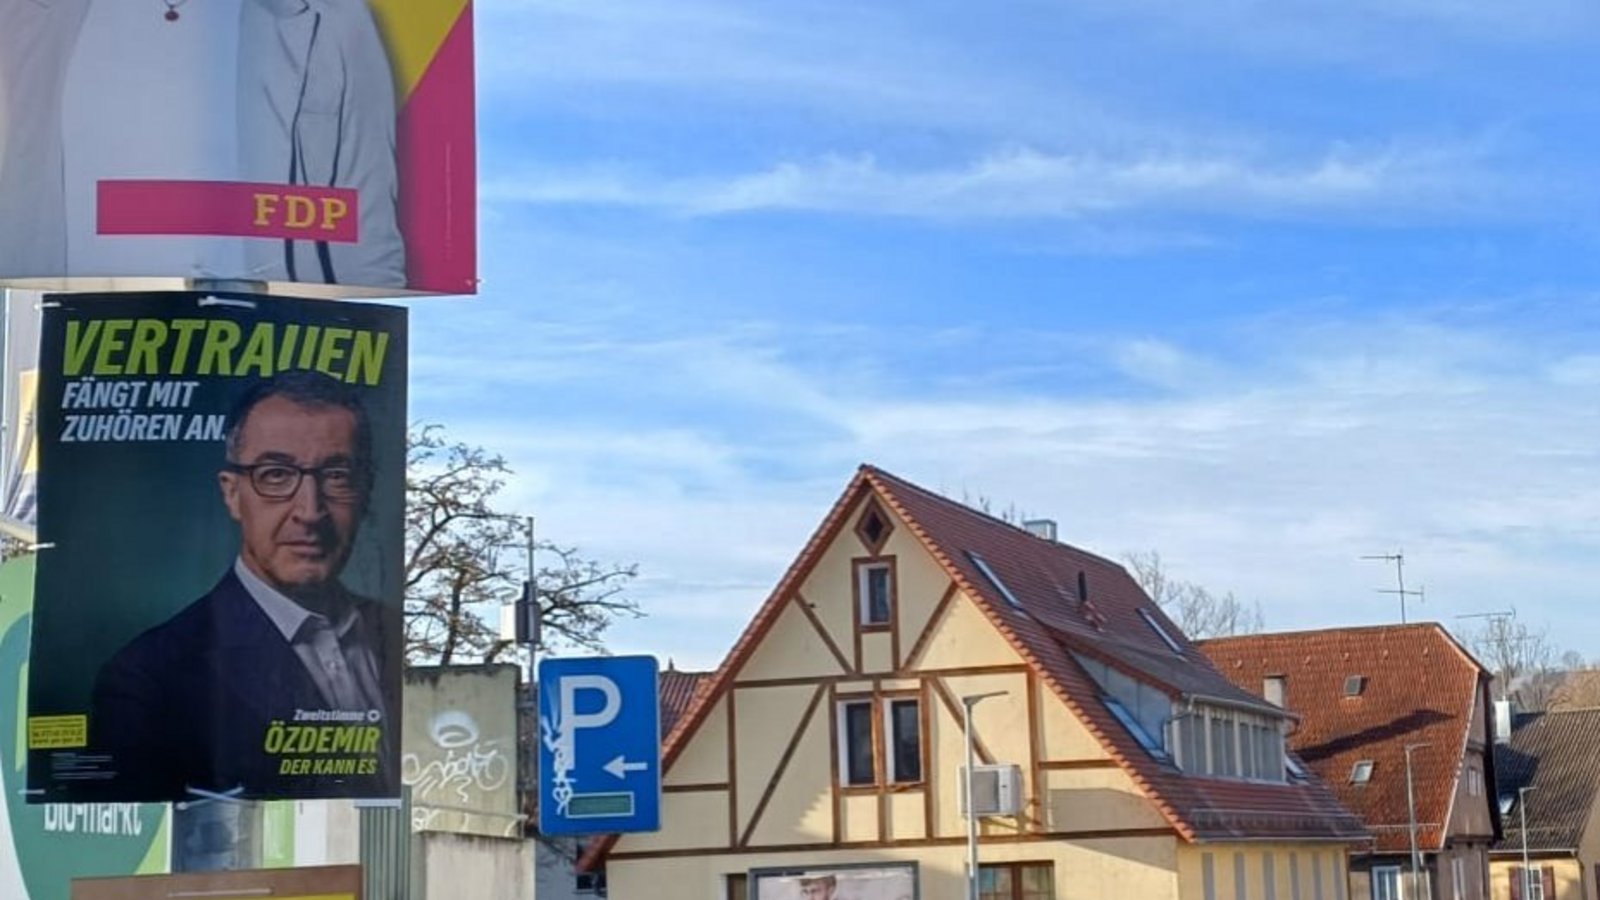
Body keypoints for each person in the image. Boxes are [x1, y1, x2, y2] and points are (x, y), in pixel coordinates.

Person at [91, 370, 397, 799]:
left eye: (337, 476)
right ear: (232, 493)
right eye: (275, 475)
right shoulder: (148, 678)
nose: (310, 511)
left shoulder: (390, 631)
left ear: (366, 492)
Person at [0, 0, 405, 288]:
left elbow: (365, 211)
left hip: (260, 326)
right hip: (64, 320)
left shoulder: (328, 17)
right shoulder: (23, 14)